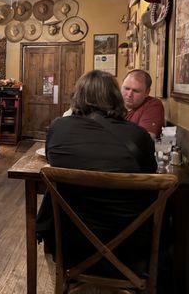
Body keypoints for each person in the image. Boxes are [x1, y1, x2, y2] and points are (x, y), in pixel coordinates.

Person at [36, 70, 157, 273]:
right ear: (116, 97)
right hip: (129, 246)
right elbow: (150, 176)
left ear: (78, 96)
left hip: (69, 243)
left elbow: (52, 159)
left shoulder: (59, 129)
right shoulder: (138, 136)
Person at [121, 69, 165, 139]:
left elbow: (145, 139)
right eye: (126, 88)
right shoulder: (112, 102)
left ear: (147, 92)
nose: (129, 94)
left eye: (136, 91)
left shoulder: (152, 105)